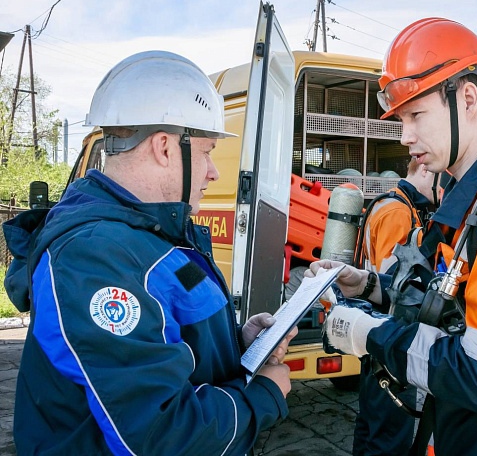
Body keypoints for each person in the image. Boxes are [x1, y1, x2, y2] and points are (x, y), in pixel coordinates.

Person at [308, 18, 477, 455]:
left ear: (468, 98)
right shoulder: (475, 198)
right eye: (401, 118)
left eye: (416, 114)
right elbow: (448, 302)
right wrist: (366, 284)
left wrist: (363, 332)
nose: (405, 137)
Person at [3, 51, 296, 455]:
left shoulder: (152, 235)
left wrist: (238, 342)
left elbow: (168, 336)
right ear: (163, 147)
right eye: (208, 151)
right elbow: (159, 435)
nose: (214, 171)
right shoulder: (95, 255)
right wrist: (263, 394)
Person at [353, 156, 437, 456]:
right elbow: (397, 286)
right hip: (390, 336)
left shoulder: (390, 203)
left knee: (370, 424)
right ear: (424, 171)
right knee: (389, 435)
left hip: (375, 330)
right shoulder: (398, 213)